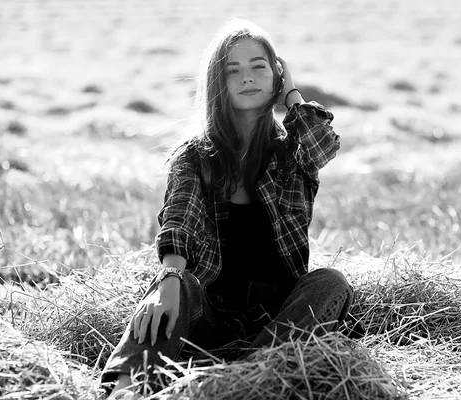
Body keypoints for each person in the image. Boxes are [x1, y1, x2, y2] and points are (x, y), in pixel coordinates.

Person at [101, 18, 354, 397]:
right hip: (209, 318)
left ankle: (250, 376)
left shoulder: (292, 154)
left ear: (276, 75)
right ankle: (123, 388)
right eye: (232, 70)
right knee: (175, 285)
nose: (247, 78)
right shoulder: (195, 156)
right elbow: (179, 219)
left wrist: (293, 95)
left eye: (258, 66)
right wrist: (169, 282)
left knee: (330, 283)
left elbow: (323, 145)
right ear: (218, 82)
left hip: (277, 322)